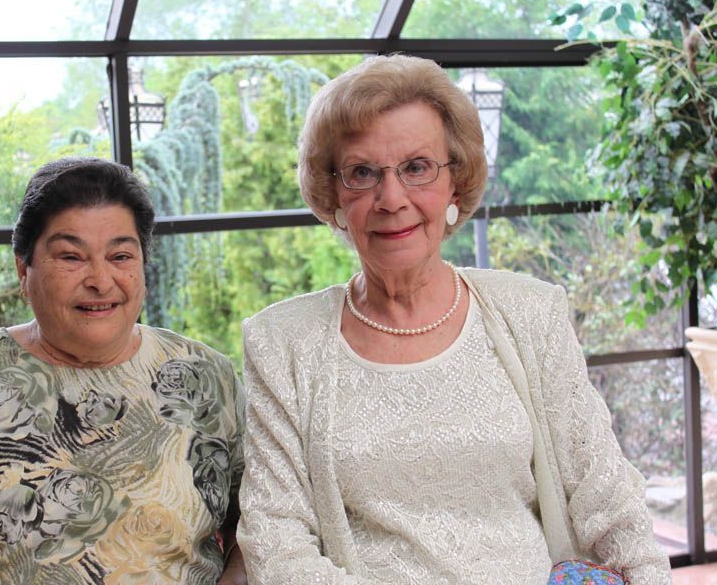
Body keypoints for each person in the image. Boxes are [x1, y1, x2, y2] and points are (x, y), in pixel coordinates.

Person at [236, 55, 671, 584]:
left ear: (455, 184)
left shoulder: (531, 312)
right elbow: (275, 544)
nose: (391, 198)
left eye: (417, 168)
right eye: (362, 173)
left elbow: (605, 495)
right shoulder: (281, 342)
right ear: (333, 198)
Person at [0, 157, 247, 585]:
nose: (101, 280)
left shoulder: (205, 377)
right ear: (23, 270)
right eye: (71, 256)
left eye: (120, 255)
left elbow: (262, 525)